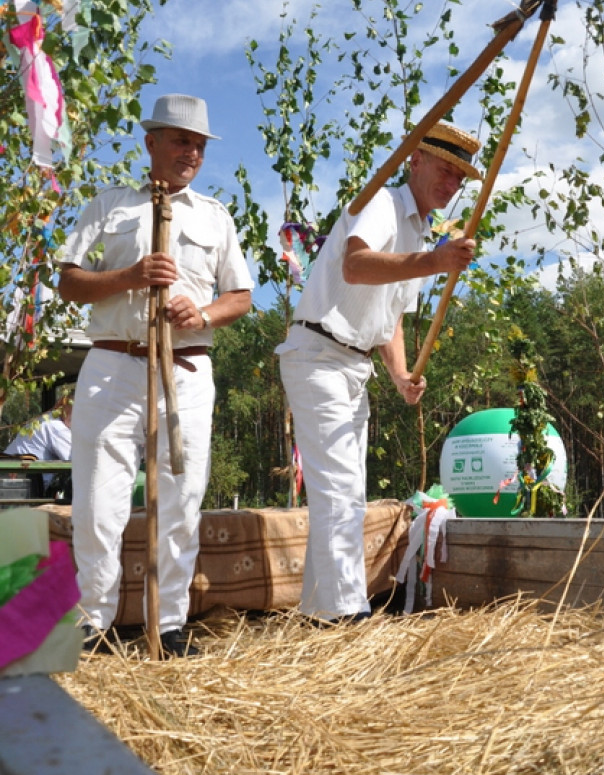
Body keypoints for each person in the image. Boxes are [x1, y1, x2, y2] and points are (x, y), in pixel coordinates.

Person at [57, 94, 254, 657]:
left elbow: (240, 297)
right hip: (111, 366)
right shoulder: (108, 206)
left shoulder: (216, 217)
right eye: (180, 140)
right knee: (99, 502)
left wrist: (203, 313)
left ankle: (166, 627)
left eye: (198, 144)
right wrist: (129, 276)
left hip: (186, 372)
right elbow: (69, 282)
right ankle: (93, 623)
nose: (191, 152)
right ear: (151, 143)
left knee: (180, 501)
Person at [276, 121, 480, 623]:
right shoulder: (384, 203)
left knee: (344, 489)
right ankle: (347, 613)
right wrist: (433, 261)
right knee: (340, 489)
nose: (451, 184)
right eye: (445, 169)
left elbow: (389, 320)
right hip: (319, 354)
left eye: (460, 178)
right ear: (416, 161)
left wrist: (401, 375)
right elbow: (356, 265)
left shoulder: (418, 229)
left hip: (353, 365)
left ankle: (320, 609)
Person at [2, 392, 73, 498]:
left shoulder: (44, 420)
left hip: (11, 481)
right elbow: (78, 460)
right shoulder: (56, 427)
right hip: (18, 486)